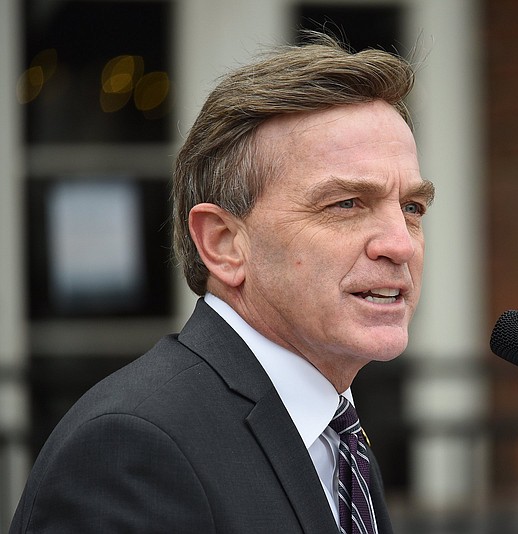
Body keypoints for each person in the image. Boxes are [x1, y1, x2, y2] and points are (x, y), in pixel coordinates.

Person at [11, 32, 434, 533]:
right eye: (346, 204)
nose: (400, 243)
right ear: (224, 244)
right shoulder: (133, 448)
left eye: (411, 207)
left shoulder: (334, 433)